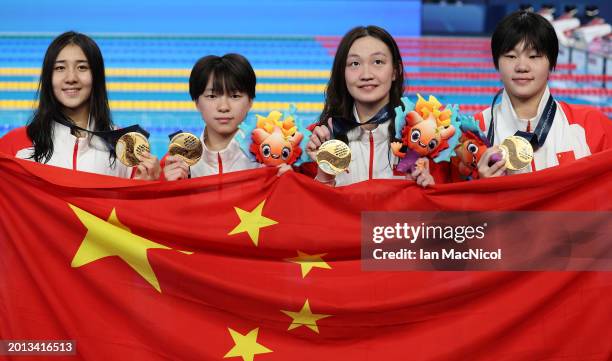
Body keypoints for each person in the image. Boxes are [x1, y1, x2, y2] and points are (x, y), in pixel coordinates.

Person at [0, 31, 160, 179]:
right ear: (49, 77)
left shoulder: (126, 147)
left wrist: (146, 186)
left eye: (82, 67)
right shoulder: (14, 145)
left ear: (96, 76)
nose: (71, 78)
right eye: (60, 68)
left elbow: (133, 208)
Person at [476, 11, 612, 178]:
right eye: (511, 56)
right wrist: (478, 188)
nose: (522, 66)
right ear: (496, 62)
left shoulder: (590, 125)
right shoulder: (475, 132)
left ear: (551, 63)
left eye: (534, 56)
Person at [306, 25, 439, 187]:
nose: (366, 75)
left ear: (396, 70)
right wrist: (324, 176)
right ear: (342, 73)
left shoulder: (426, 140)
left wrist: (429, 188)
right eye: (354, 63)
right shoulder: (320, 140)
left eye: (378, 62)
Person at [162, 54, 291, 180]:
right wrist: (170, 189)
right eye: (212, 96)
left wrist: (287, 185)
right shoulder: (176, 163)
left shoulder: (275, 157)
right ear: (197, 102)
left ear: (250, 101)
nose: (223, 107)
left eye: (235, 96)